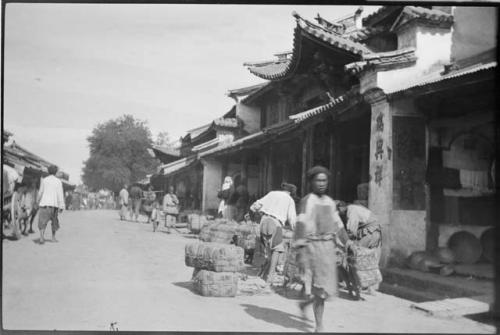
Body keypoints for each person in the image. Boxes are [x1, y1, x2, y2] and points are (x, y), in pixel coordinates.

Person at [294, 166, 349, 333]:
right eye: (318, 180)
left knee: (326, 288)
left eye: (324, 180)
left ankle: (304, 304)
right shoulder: (306, 201)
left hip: (327, 248)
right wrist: (301, 252)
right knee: (319, 289)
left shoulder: (329, 202)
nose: (321, 184)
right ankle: (319, 326)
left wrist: (348, 243)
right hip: (312, 248)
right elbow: (301, 225)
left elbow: (338, 225)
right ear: (311, 182)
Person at [248, 182, 297, 285]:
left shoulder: (272, 193)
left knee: (267, 250)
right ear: (290, 193)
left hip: (264, 220)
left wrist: (253, 216)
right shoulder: (289, 200)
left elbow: (254, 206)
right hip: (276, 223)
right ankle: (270, 276)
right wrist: (295, 230)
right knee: (277, 250)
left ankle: (263, 274)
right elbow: (292, 219)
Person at [337, 201, 382, 293]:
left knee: (357, 257)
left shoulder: (351, 211)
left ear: (341, 208)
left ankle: (357, 284)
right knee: (370, 259)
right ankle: (371, 287)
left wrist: (347, 241)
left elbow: (351, 230)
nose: (338, 213)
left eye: (338, 211)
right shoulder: (354, 208)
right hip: (375, 232)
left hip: (369, 232)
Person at [37, 165, 65, 244]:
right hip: (54, 205)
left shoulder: (44, 180)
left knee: (42, 222)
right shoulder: (58, 181)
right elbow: (60, 194)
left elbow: (40, 192)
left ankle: (42, 237)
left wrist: (37, 200)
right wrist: (61, 205)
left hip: (44, 204)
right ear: (55, 172)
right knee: (54, 222)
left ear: (48, 172)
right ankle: (53, 238)